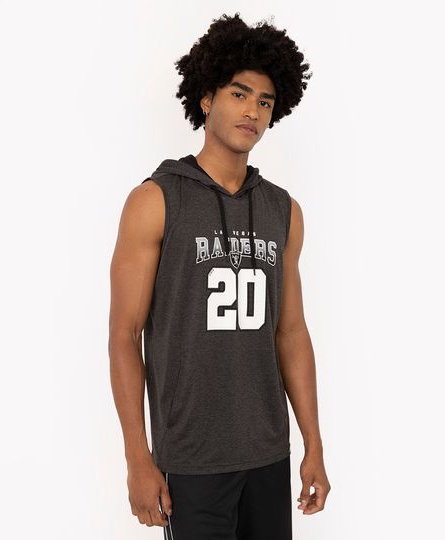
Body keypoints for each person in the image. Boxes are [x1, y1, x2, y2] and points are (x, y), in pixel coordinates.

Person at [109, 12, 330, 539]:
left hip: (269, 454)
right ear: (206, 98)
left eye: (265, 102)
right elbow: (124, 335)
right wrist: (138, 458)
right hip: (191, 460)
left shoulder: (284, 211)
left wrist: (314, 444)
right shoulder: (155, 200)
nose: (252, 111)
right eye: (239, 93)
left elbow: (291, 332)